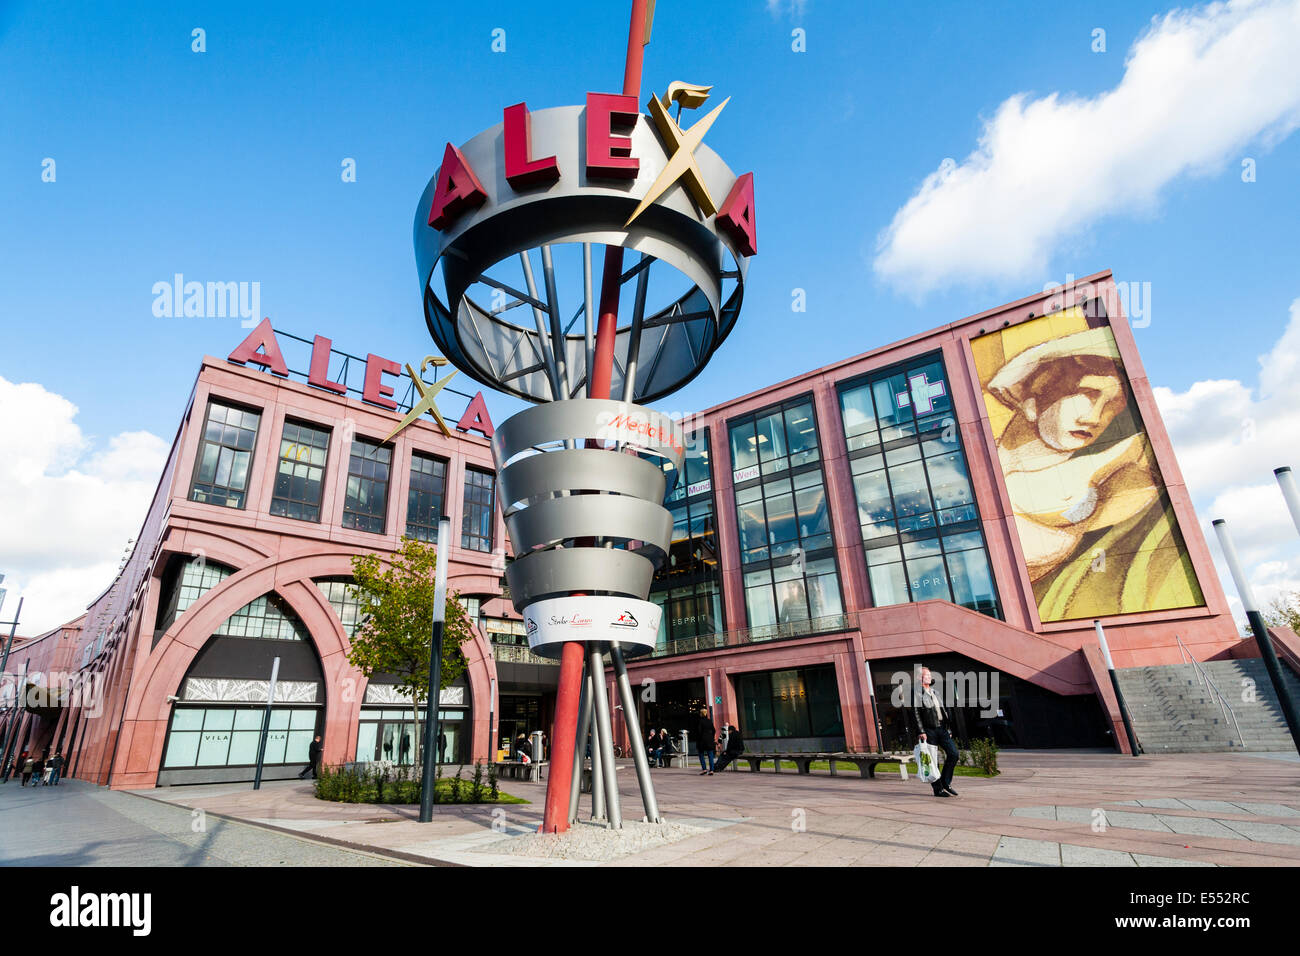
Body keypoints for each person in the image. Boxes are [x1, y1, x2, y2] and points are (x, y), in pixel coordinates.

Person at [981, 326, 1201, 620]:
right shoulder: (978, 469)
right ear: (1033, 398)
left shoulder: (1109, 474)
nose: (1095, 417)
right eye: (1087, 393)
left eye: (1113, 405)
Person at [913, 665, 959, 798]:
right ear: (919, 677)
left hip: (942, 729)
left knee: (954, 754)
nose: (929, 677)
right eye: (926, 675)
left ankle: (945, 781)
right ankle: (938, 790)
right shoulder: (916, 693)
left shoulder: (935, 692)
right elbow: (915, 713)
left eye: (929, 675)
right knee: (933, 761)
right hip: (928, 731)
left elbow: (943, 711)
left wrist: (948, 728)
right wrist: (921, 731)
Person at [695, 708, 716, 776]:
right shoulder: (709, 721)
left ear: (701, 714)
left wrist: (698, 739)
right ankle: (712, 770)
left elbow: (699, 732)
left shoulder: (700, 721)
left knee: (701, 755)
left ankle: (704, 769)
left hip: (702, 741)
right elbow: (714, 730)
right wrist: (711, 737)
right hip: (709, 740)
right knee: (710, 755)